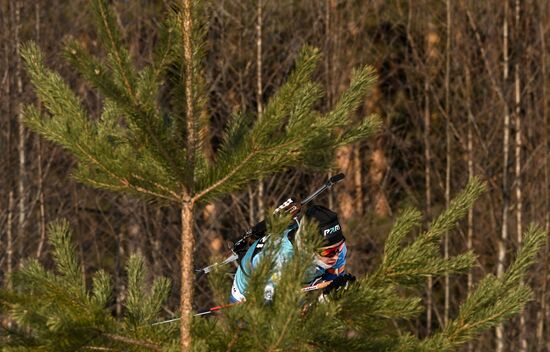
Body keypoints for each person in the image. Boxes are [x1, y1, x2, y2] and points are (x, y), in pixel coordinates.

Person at [229, 204, 355, 303]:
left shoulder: (339, 250)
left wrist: (334, 291)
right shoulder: (280, 260)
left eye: (338, 248)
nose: (336, 255)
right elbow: (272, 308)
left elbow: (332, 279)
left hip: (294, 284)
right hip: (250, 290)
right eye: (328, 252)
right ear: (308, 247)